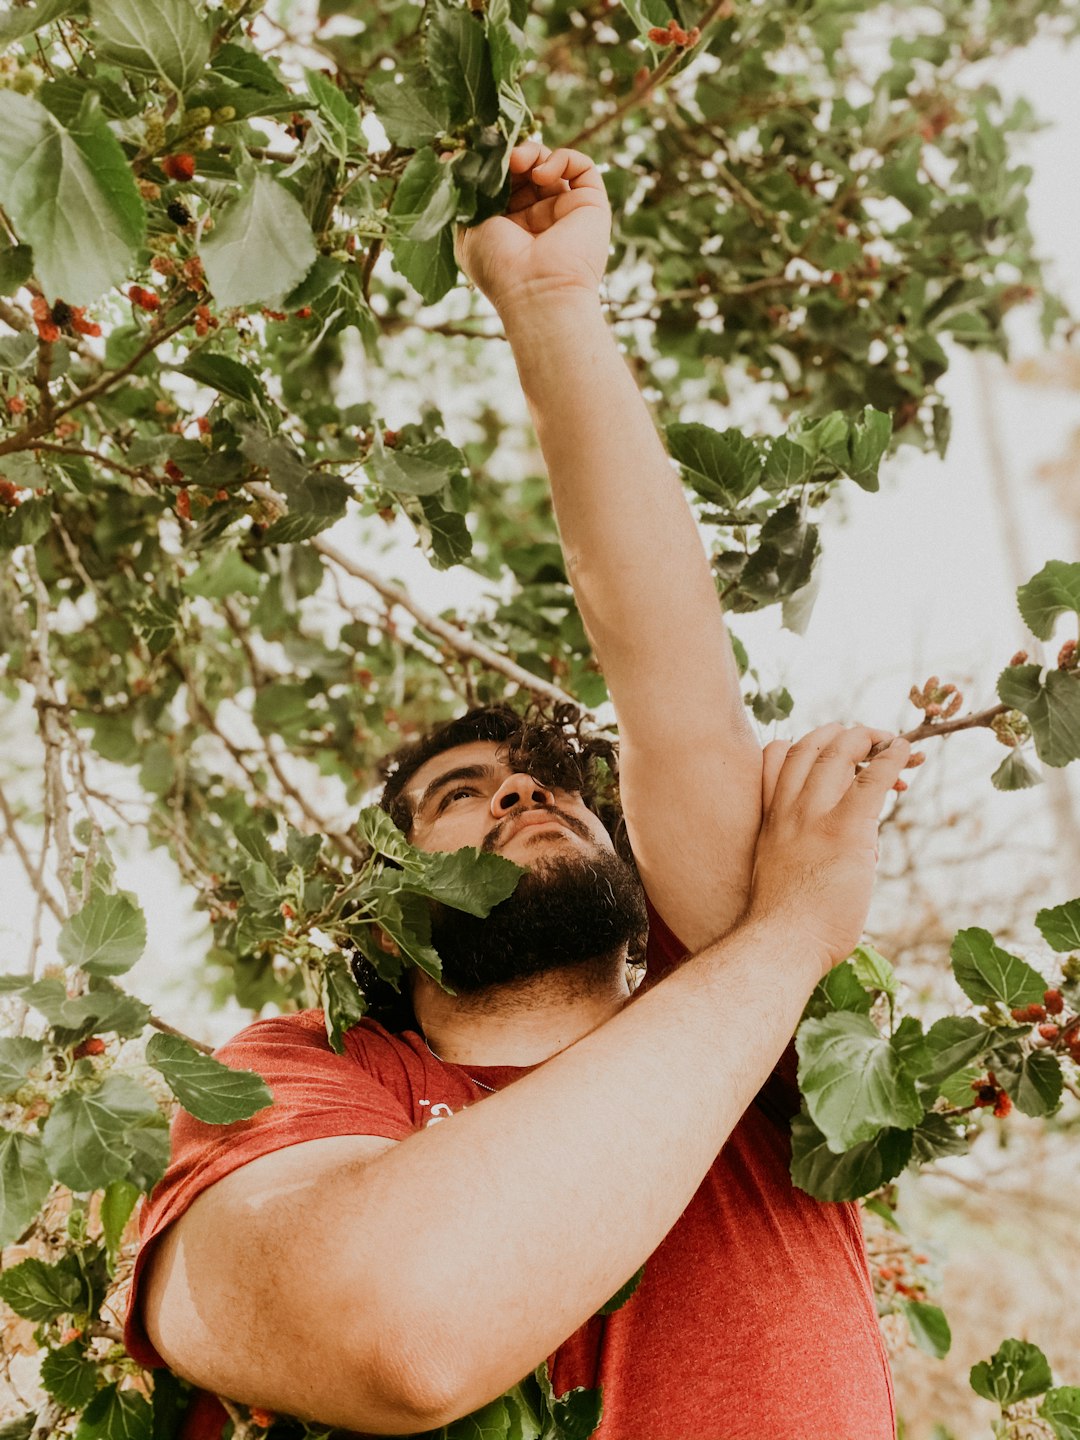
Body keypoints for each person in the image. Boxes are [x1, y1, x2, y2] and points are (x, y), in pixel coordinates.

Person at [123, 141, 911, 1439]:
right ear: (385, 912)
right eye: (461, 792)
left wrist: (550, 307)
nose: (521, 796)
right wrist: (793, 930)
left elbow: (669, 683)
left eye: (553, 784)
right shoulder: (300, 1079)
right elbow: (398, 1327)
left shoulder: (743, 1028)